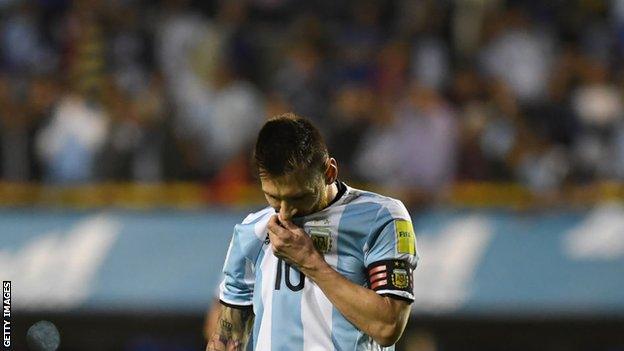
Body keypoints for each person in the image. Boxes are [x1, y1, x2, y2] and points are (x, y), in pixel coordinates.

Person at [206, 113, 419, 351]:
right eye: (274, 197)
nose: (285, 212)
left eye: (298, 197)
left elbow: (388, 326)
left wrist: (310, 262)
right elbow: (227, 339)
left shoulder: (381, 217)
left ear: (329, 172)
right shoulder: (251, 231)